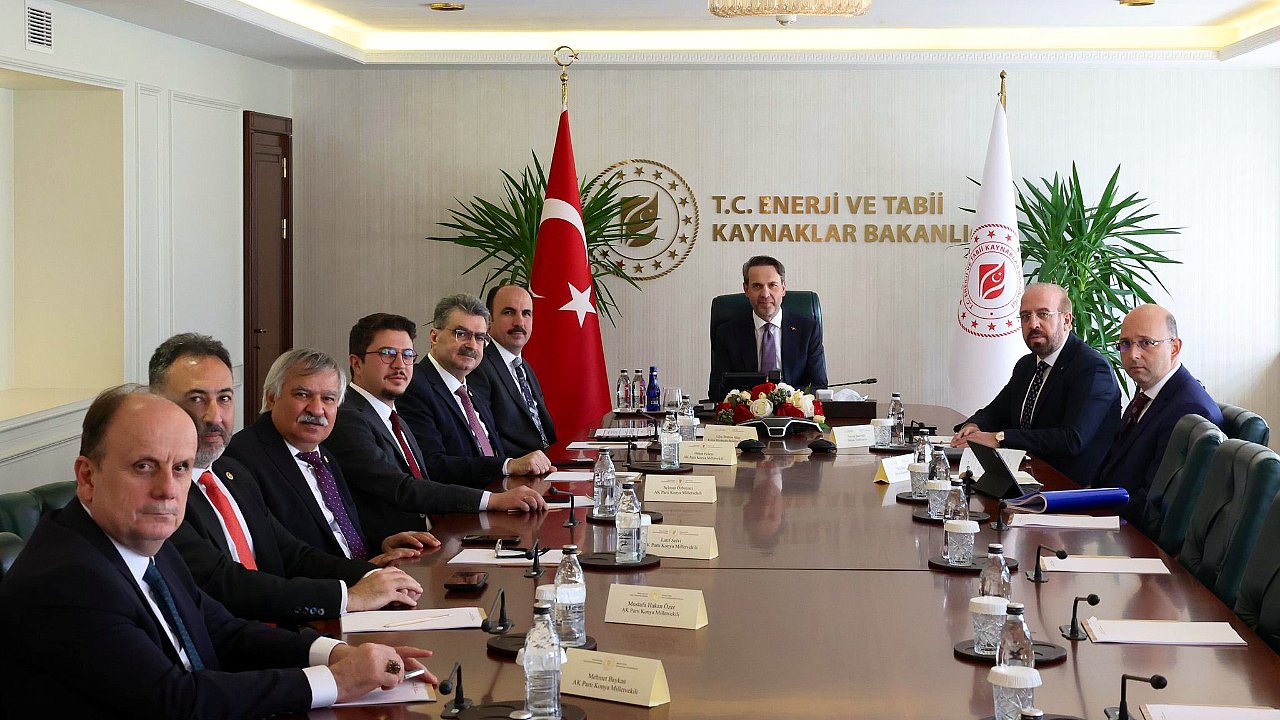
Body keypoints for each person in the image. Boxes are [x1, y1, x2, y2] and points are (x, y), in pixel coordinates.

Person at [0, 385, 437, 718]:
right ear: (87, 477)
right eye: (144, 466)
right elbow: (175, 701)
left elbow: (224, 631)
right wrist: (337, 681)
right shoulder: (66, 579)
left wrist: (336, 653)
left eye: (180, 468)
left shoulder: (143, 538)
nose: (167, 490)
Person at [149, 334, 423, 625]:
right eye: (196, 399)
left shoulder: (232, 474)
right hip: (258, 634)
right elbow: (225, 583)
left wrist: (373, 576)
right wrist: (347, 597)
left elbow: (290, 552)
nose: (214, 416)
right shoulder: (162, 491)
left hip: (287, 629)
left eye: (224, 398)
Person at [324, 313, 547, 546]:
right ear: (356, 363)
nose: (400, 365)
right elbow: (402, 489)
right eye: (387, 354)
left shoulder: (392, 415)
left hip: (438, 537)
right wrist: (492, 500)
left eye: (407, 355)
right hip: (399, 552)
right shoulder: (347, 419)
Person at [225, 347, 441, 564]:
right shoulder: (243, 459)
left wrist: (381, 544)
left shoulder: (323, 455)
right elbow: (281, 557)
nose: (317, 409)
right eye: (302, 395)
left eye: (328, 398)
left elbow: (337, 534)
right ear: (272, 398)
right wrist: (361, 572)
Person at [952, 283, 1121, 486]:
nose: (1033, 324)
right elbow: (996, 412)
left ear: (1066, 320)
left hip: (1070, 490)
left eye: (1043, 314)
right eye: (1025, 316)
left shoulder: (1091, 368)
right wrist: (973, 426)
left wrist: (1000, 438)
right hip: (1024, 478)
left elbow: (1071, 439)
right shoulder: (1027, 365)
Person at [397, 294, 555, 488]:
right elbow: (432, 465)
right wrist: (508, 465)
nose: (472, 345)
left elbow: (492, 453)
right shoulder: (414, 386)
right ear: (434, 337)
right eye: (461, 334)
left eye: (479, 337)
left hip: (503, 494)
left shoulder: (470, 392)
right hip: (464, 503)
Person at [1095, 304, 1223, 519]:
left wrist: (1089, 516)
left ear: (1174, 348)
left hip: (1130, 530)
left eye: (1146, 343)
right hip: (1108, 512)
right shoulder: (1148, 393)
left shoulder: (1189, 411)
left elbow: (1154, 504)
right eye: (1125, 344)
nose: (1133, 354)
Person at [708, 255, 827, 400]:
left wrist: (780, 398)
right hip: (746, 412)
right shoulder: (727, 333)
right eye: (757, 286)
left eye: (772, 285)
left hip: (794, 411)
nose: (765, 294)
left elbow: (818, 386)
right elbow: (717, 391)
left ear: (783, 288)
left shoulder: (808, 330)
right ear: (746, 290)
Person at [468, 284, 557, 456]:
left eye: (526, 313)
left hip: (548, 461)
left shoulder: (524, 367)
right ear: (488, 321)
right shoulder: (479, 367)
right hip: (517, 467)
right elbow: (487, 439)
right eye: (509, 312)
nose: (519, 322)